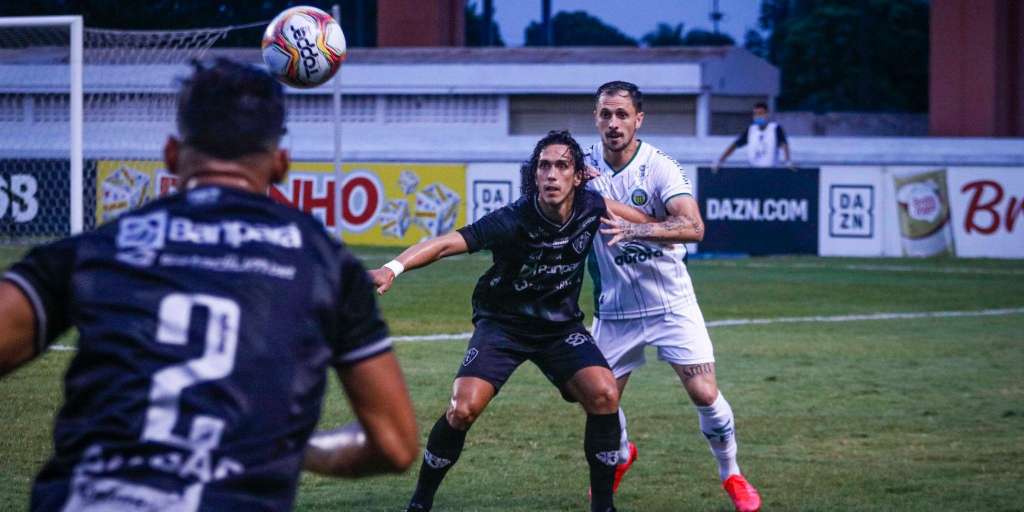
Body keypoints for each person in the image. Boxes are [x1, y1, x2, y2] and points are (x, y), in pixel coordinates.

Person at [0, 59, 419, 511]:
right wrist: (297, 450)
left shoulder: (98, 247)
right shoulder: (326, 265)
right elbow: (394, 445)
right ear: (280, 165)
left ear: (172, 155)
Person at [371, 130, 670, 512]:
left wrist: (661, 228)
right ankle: (420, 501)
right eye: (544, 166)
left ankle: (604, 506)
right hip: (503, 325)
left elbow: (646, 221)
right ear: (534, 175)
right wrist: (392, 268)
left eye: (562, 166)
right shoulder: (512, 219)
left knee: (605, 394)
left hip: (559, 328)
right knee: (462, 410)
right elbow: (447, 243)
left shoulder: (593, 207)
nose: (551, 175)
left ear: (578, 176)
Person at [584, 81, 762, 512]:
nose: (613, 123)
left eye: (622, 114)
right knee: (598, 400)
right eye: (606, 114)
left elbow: (694, 227)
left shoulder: (659, 167)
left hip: (671, 304)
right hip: (615, 310)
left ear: (638, 120)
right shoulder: (580, 167)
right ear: (596, 118)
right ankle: (623, 453)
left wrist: (637, 227)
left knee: (703, 392)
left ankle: (732, 474)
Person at [713, 101, 793, 170]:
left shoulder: (775, 128)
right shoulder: (751, 130)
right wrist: (720, 160)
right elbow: (735, 145)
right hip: (753, 170)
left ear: (767, 114)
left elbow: (784, 144)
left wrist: (787, 161)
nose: (758, 116)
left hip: (770, 170)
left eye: (761, 113)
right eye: (755, 114)